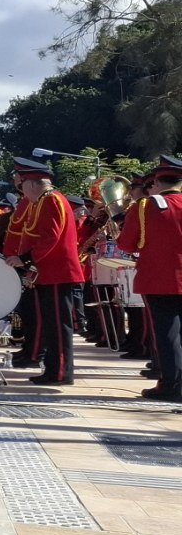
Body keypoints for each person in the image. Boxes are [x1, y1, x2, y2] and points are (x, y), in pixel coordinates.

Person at [2, 156, 84, 385]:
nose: (22, 192)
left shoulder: (51, 200)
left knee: (58, 327)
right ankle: (54, 369)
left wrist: (25, 259)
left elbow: (50, 237)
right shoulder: (43, 201)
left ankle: (59, 373)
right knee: (51, 325)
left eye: (22, 186)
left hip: (58, 272)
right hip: (48, 272)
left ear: (32, 183)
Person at [117, 156, 182, 400]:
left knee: (167, 336)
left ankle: (172, 386)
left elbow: (127, 243)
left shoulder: (145, 206)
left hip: (159, 279)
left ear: (156, 180)